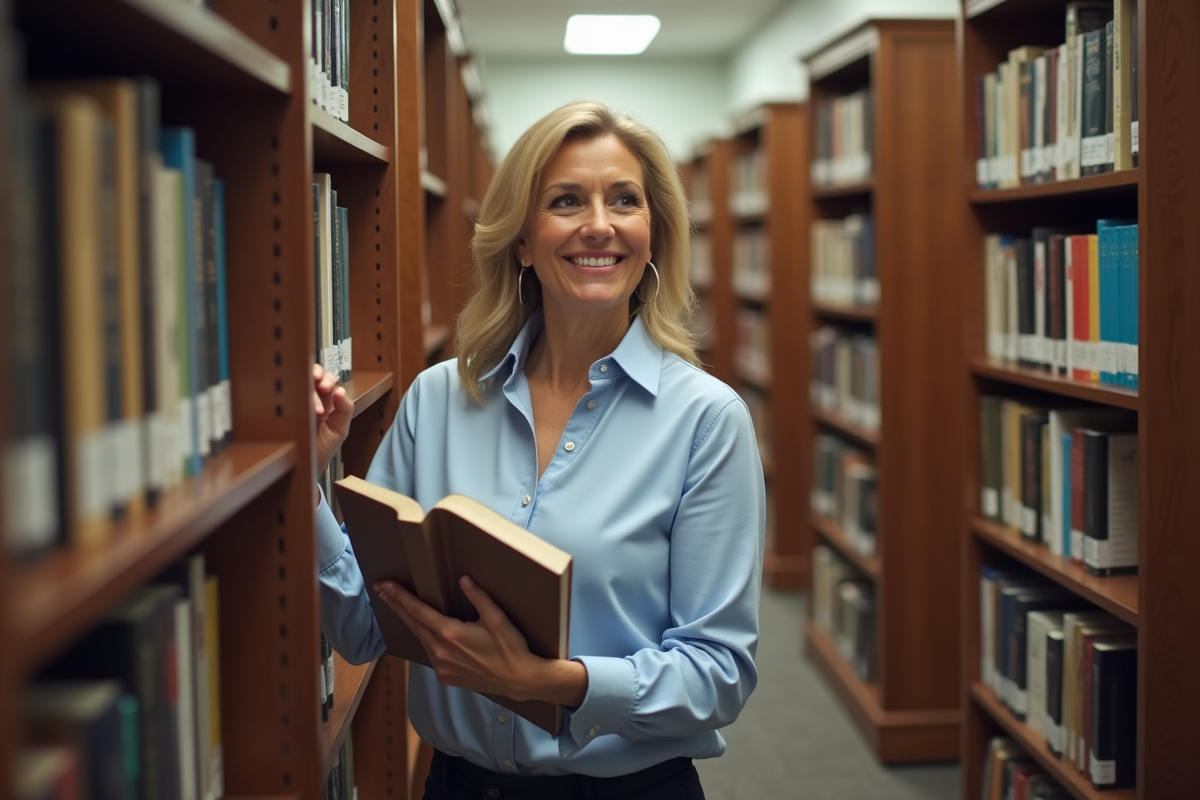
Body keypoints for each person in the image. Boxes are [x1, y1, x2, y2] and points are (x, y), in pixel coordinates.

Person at [312, 99, 766, 800]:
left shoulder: (706, 421)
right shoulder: (437, 401)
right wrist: (312, 479)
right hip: (458, 786)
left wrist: (556, 685)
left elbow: (719, 675)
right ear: (521, 240)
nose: (599, 224)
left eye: (624, 200)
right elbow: (364, 629)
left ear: (653, 236)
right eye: (566, 201)